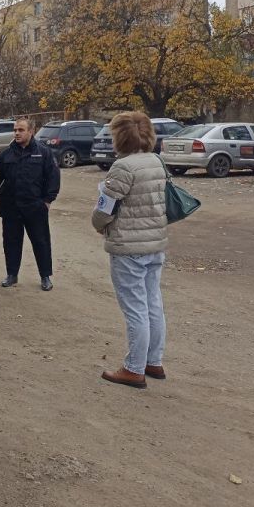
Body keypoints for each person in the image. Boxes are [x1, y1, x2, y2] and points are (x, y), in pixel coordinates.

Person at [92, 112, 169, 389]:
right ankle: (153, 360)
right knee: (153, 303)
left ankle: (134, 367)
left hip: (128, 247)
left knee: (135, 307)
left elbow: (104, 209)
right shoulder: (157, 161)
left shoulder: (123, 167)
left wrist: (98, 224)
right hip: (154, 243)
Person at [0, 118, 60, 291]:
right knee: (11, 242)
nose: (17, 133)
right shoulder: (6, 154)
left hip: (35, 207)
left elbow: (53, 177)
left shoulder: (43, 152)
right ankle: (12, 274)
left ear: (31, 131)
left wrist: (47, 200)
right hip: (11, 207)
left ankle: (45, 276)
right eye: (15, 130)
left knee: (41, 242)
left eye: (21, 130)